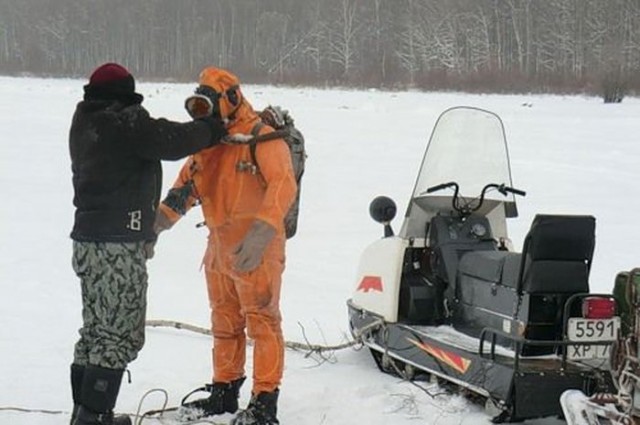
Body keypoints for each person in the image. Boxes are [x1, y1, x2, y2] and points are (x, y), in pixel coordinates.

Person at [69, 62, 227, 425]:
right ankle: (94, 417)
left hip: (87, 243)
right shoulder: (122, 121)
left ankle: (85, 413)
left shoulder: (85, 120)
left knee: (94, 331)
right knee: (119, 335)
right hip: (116, 245)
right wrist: (210, 129)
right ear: (125, 94)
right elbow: (169, 140)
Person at [154, 67, 297, 425]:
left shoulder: (261, 137)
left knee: (262, 322)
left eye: (207, 105)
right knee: (224, 322)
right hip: (219, 246)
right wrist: (155, 226)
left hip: (258, 248)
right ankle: (225, 390)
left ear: (230, 99)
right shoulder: (209, 145)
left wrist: (262, 233)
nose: (203, 115)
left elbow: (284, 184)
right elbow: (185, 189)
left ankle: (265, 402)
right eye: (197, 108)